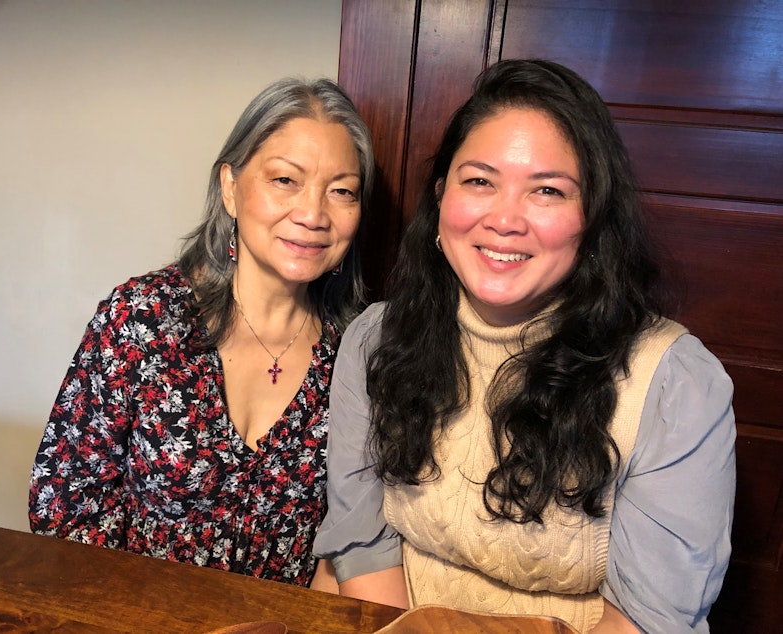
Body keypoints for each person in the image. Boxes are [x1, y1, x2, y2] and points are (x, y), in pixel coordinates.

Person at [313, 59, 735, 633]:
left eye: (548, 191)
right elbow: (364, 549)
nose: (505, 219)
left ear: (591, 220)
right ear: (441, 199)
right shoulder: (375, 339)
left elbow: (646, 622)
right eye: (480, 181)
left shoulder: (674, 386)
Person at [29, 77, 374, 589]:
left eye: (341, 191)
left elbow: (348, 540)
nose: (312, 214)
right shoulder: (141, 320)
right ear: (230, 187)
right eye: (285, 180)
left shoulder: (359, 350)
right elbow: (64, 508)